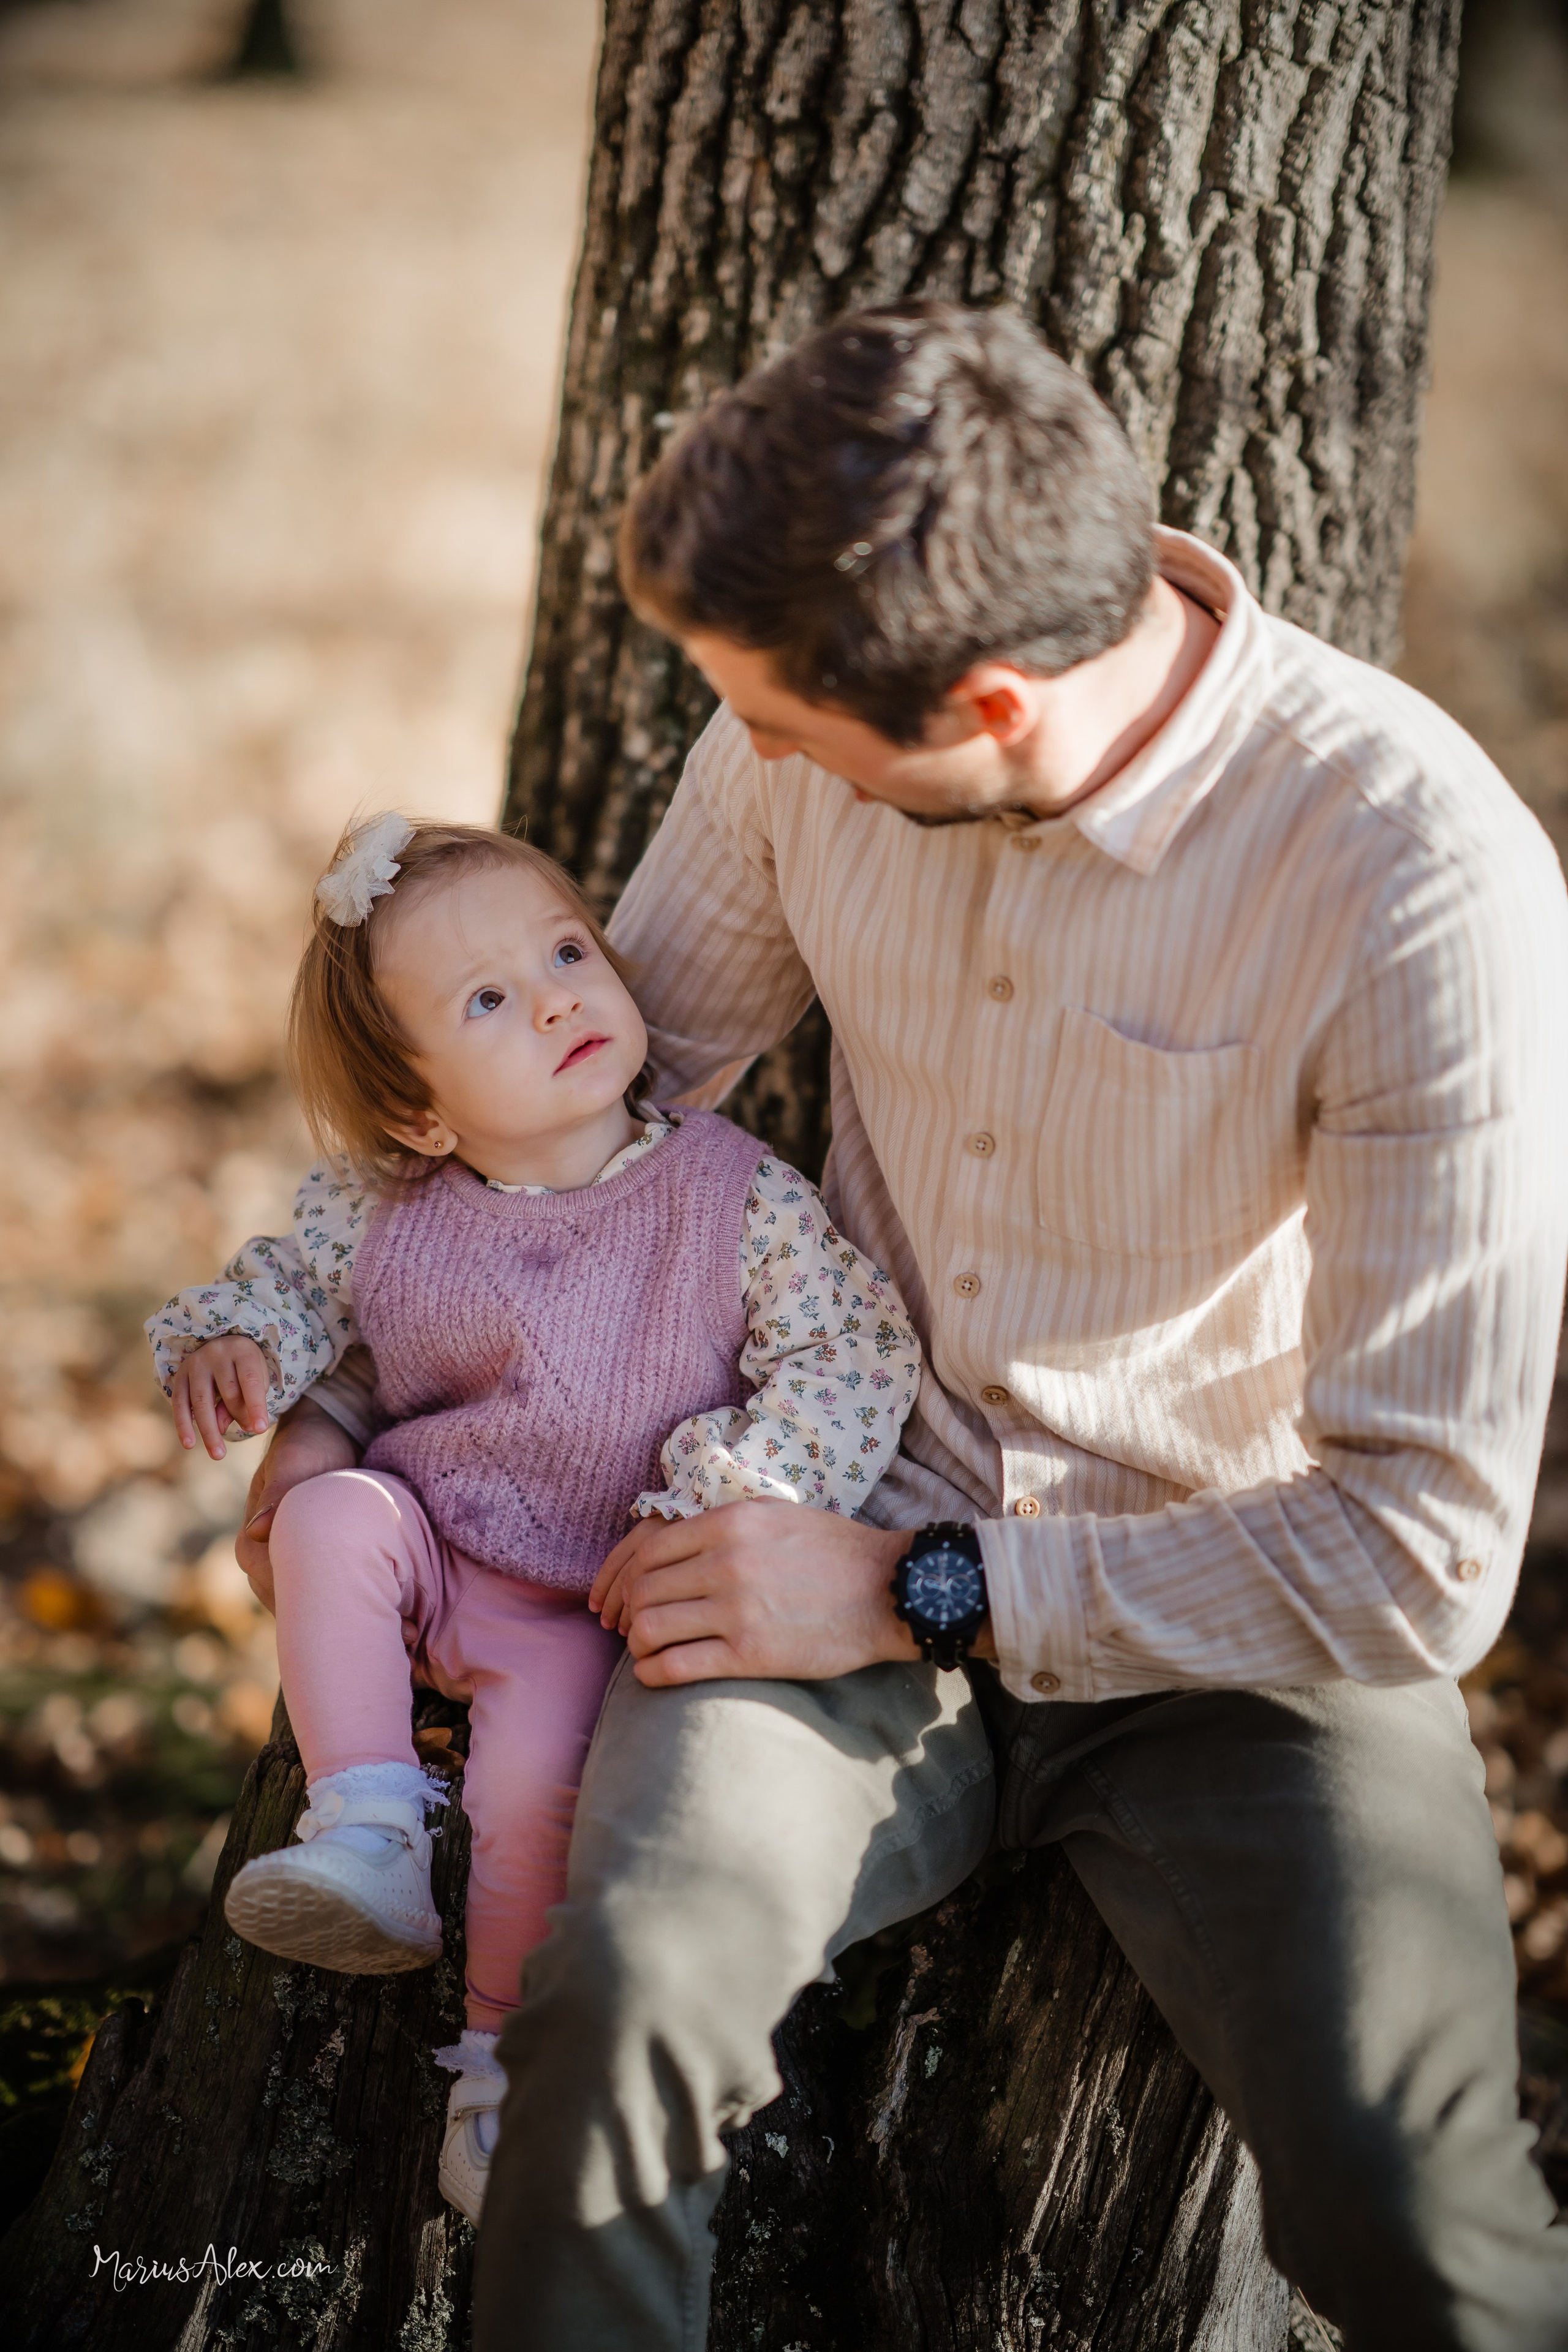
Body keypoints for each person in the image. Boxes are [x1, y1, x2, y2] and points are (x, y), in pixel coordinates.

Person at [245, 304, 1568, 2350]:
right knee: (611, 2008)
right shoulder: (807, 755)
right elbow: (576, 1123)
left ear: (987, 700)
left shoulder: (1413, 882)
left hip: (1232, 1607)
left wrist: (925, 1588)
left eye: (775, 722)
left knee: (1427, 2222)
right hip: (828, 1514)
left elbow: (1422, 1555)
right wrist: (328, 1405)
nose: (746, 751)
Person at [145, 815, 920, 2227]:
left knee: (529, 1798)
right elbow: (281, 1292)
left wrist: (724, 1493)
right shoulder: (383, 1206)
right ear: (419, 1114)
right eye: (488, 1000)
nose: (561, 996)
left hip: (590, 1598)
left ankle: (499, 2061)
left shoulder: (731, 1196)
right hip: (437, 1552)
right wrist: (233, 1350)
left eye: (566, 952)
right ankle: (369, 1825)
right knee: (325, 1518)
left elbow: (851, 1357)